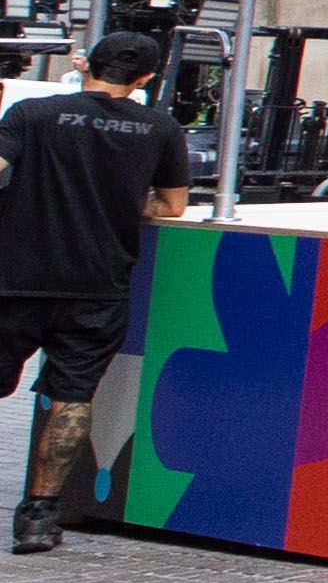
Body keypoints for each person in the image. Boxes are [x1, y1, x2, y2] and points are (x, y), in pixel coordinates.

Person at [0, 27, 190, 551]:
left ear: (85, 64)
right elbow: (172, 206)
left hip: (15, 280)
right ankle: (37, 520)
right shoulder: (159, 128)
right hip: (97, 285)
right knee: (72, 397)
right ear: (147, 78)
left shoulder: (31, 115)